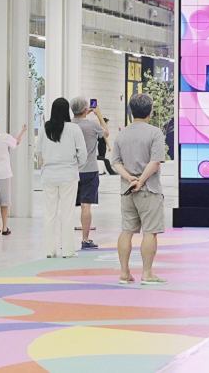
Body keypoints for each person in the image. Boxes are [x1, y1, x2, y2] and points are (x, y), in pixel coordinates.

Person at [112, 92, 168, 285]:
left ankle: (124, 273)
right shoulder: (155, 133)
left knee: (126, 231)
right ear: (150, 112)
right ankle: (147, 273)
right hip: (149, 189)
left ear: (131, 111)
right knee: (149, 232)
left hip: (127, 191)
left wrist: (130, 179)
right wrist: (141, 180)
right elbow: (155, 162)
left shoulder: (122, 133)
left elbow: (116, 162)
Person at [38, 98, 86, 258]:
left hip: (49, 176)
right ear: (68, 111)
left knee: (49, 214)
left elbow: (39, 153)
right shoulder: (74, 129)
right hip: (69, 174)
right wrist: (75, 164)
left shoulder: (45, 129)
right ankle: (68, 250)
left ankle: (49, 251)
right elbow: (83, 154)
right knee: (67, 213)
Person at [70, 96, 109, 250]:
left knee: (67, 206)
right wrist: (98, 115)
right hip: (90, 170)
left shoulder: (68, 126)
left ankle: (65, 238)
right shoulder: (93, 125)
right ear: (87, 110)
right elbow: (105, 134)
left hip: (72, 170)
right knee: (86, 206)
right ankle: (85, 239)